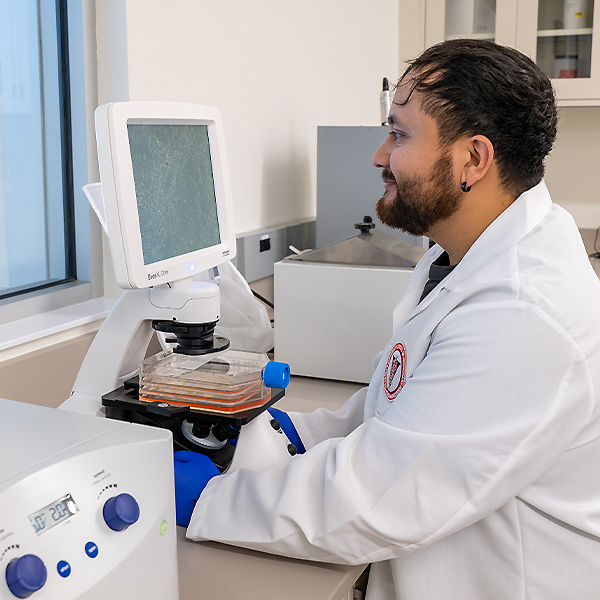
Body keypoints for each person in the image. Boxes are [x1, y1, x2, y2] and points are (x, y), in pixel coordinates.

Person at [175, 39, 600, 599]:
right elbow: (398, 411)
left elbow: (380, 500)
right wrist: (291, 433)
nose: (379, 155)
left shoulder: (523, 313)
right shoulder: (460, 256)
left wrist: (207, 501)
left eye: (399, 134)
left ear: (474, 158)